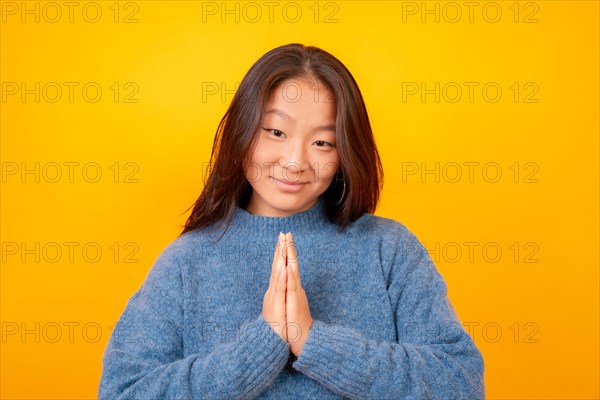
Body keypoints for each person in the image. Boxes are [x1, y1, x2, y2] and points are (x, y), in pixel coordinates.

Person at [98, 43, 485, 399]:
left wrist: (314, 341)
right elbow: (122, 391)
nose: (296, 160)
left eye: (323, 142)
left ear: (345, 151)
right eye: (276, 131)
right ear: (242, 131)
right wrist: (262, 346)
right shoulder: (187, 262)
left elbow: (461, 383)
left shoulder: (390, 250)